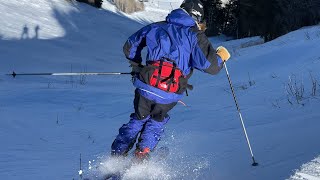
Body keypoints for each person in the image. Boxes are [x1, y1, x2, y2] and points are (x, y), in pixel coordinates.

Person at [111, 0, 231, 160]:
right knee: (156, 120)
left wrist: (137, 66)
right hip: (170, 91)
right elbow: (210, 66)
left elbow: (130, 46)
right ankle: (143, 154)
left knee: (139, 118)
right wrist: (221, 57)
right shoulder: (195, 35)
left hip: (146, 83)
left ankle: (116, 156)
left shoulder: (156, 27)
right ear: (197, 18)